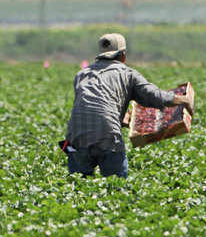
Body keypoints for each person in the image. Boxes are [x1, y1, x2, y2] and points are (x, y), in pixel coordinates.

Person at [61, 33, 192, 179]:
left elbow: (93, 103)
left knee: (79, 186)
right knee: (116, 187)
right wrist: (183, 100)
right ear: (123, 56)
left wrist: (121, 117)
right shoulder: (127, 74)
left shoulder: (82, 74)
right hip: (108, 138)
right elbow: (153, 96)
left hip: (77, 137)